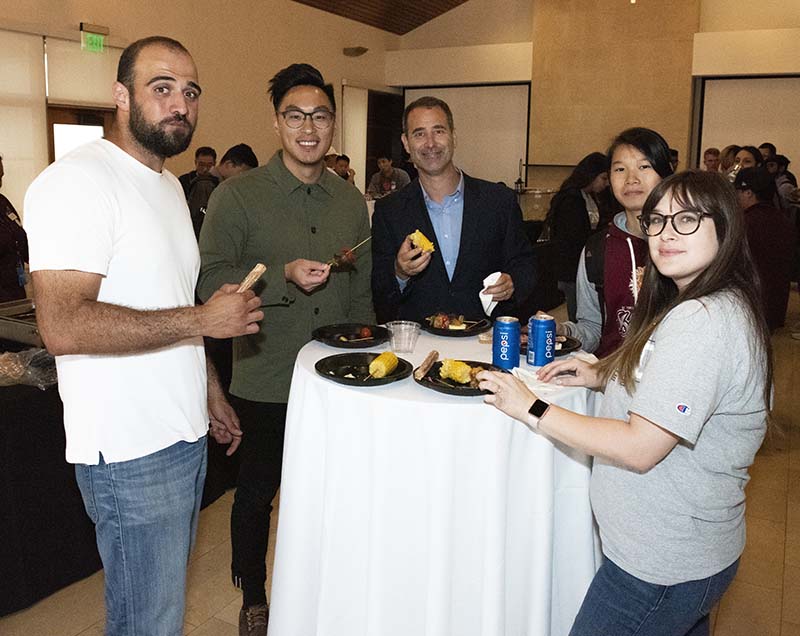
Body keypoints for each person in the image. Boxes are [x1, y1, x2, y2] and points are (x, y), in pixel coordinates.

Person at [22, 36, 264, 635]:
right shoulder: (74, 184)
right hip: (128, 454)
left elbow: (176, 302)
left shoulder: (166, 188)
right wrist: (203, 321)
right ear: (121, 96)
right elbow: (63, 324)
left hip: (181, 437)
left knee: (160, 615)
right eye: (162, 89)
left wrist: (208, 391)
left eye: (190, 92)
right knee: (146, 624)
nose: (180, 104)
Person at [479, 170, 771, 636]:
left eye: (688, 219)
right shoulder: (706, 301)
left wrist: (531, 407)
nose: (667, 233)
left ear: (726, 227)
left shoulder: (703, 320)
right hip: (686, 554)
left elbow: (640, 447)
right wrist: (601, 374)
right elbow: (671, 382)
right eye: (657, 221)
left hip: (660, 565)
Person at [197, 62, 373, 636]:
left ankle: (325, 587)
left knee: (332, 489)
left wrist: (372, 360)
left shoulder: (349, 201)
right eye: (295, 115)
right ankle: (253, 594)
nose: (308, 126)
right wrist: (280, 274)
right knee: (257, 494)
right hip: (268, 375)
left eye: (320, 116)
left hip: (339, 375)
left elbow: (362, 289)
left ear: (332, 125)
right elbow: (210, 281)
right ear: (277, 123)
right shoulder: (237, 197)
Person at [371, 96, 536, 324]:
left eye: (438, 131)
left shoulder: (499, 201)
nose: (430, 143)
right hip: (420, 347)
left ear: (453, 136)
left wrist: (513, 282)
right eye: (419, 134)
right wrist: (399, 273)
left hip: (484, 344)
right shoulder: (389, 211)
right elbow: (379, 291)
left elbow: (525, 264)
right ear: (406, 143)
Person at [559, 127, 673, 357]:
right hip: (612, 382)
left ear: (665, 174)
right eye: (620, 169)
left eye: (644, 167)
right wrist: (562, 330)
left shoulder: (686, 243)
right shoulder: (597, 249)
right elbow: (593, 330)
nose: (631, 179)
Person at [544, 152, 609, 321]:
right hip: (571, 265)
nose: (606, 184)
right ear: (591, 175)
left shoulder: (588, 196)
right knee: (578, 315)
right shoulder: (571, 199)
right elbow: (573, 236)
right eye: (603, 178)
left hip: (583, 260)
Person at [734, 166, 794, 329]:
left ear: (748, 192)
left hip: (748, 311)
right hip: (774, 311)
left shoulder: (744, 223)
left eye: (737, 191)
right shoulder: (783, 220)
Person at [0, 155, 28, 303]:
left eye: (1, 176)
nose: (0, 182)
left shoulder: (3, 202)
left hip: (15, 294)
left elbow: (21, 239)